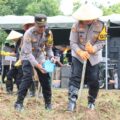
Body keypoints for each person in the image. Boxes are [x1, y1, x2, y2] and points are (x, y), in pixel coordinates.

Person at [67, 3, 107, 111]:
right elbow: (73, 42)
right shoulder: (76, 25)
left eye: (90, 17)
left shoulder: (102, 25)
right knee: (75, 77)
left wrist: (93, 49)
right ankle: (72, 101)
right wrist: (80, 51)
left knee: (94, 79)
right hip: (78, 55)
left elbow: (102, 42)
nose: (88, 20)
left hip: (94, 56)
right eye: (85, 18)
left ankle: (91, 101)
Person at [14, 14, 55, 111]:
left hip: (39, 56)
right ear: (35, 24)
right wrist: (37, 66)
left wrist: (52, 57)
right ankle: (18, 103)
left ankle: (48, 103)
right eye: (40, 26)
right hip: (27, 56)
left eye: (44, 26)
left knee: (45, 78)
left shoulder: (48, 33)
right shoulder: (28, 33)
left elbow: (49, 48)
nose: (42, 28)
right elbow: (28, 53)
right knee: (28, 77)